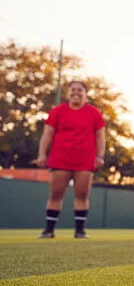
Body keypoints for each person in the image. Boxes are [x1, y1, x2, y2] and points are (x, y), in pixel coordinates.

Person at [36, 80, 106, 239]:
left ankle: (80, 231)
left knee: (82, 195)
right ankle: (49, 230)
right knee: (55, 194)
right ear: (67, 94)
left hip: (85, 160)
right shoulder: (57, 111)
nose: (76, 92)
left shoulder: (94, 113)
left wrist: (100, 156)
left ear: (85, 94)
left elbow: (101, 137)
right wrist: (42, 154)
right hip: (60, 159)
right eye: (72, 89)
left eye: (80, 90)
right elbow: (47, 135)